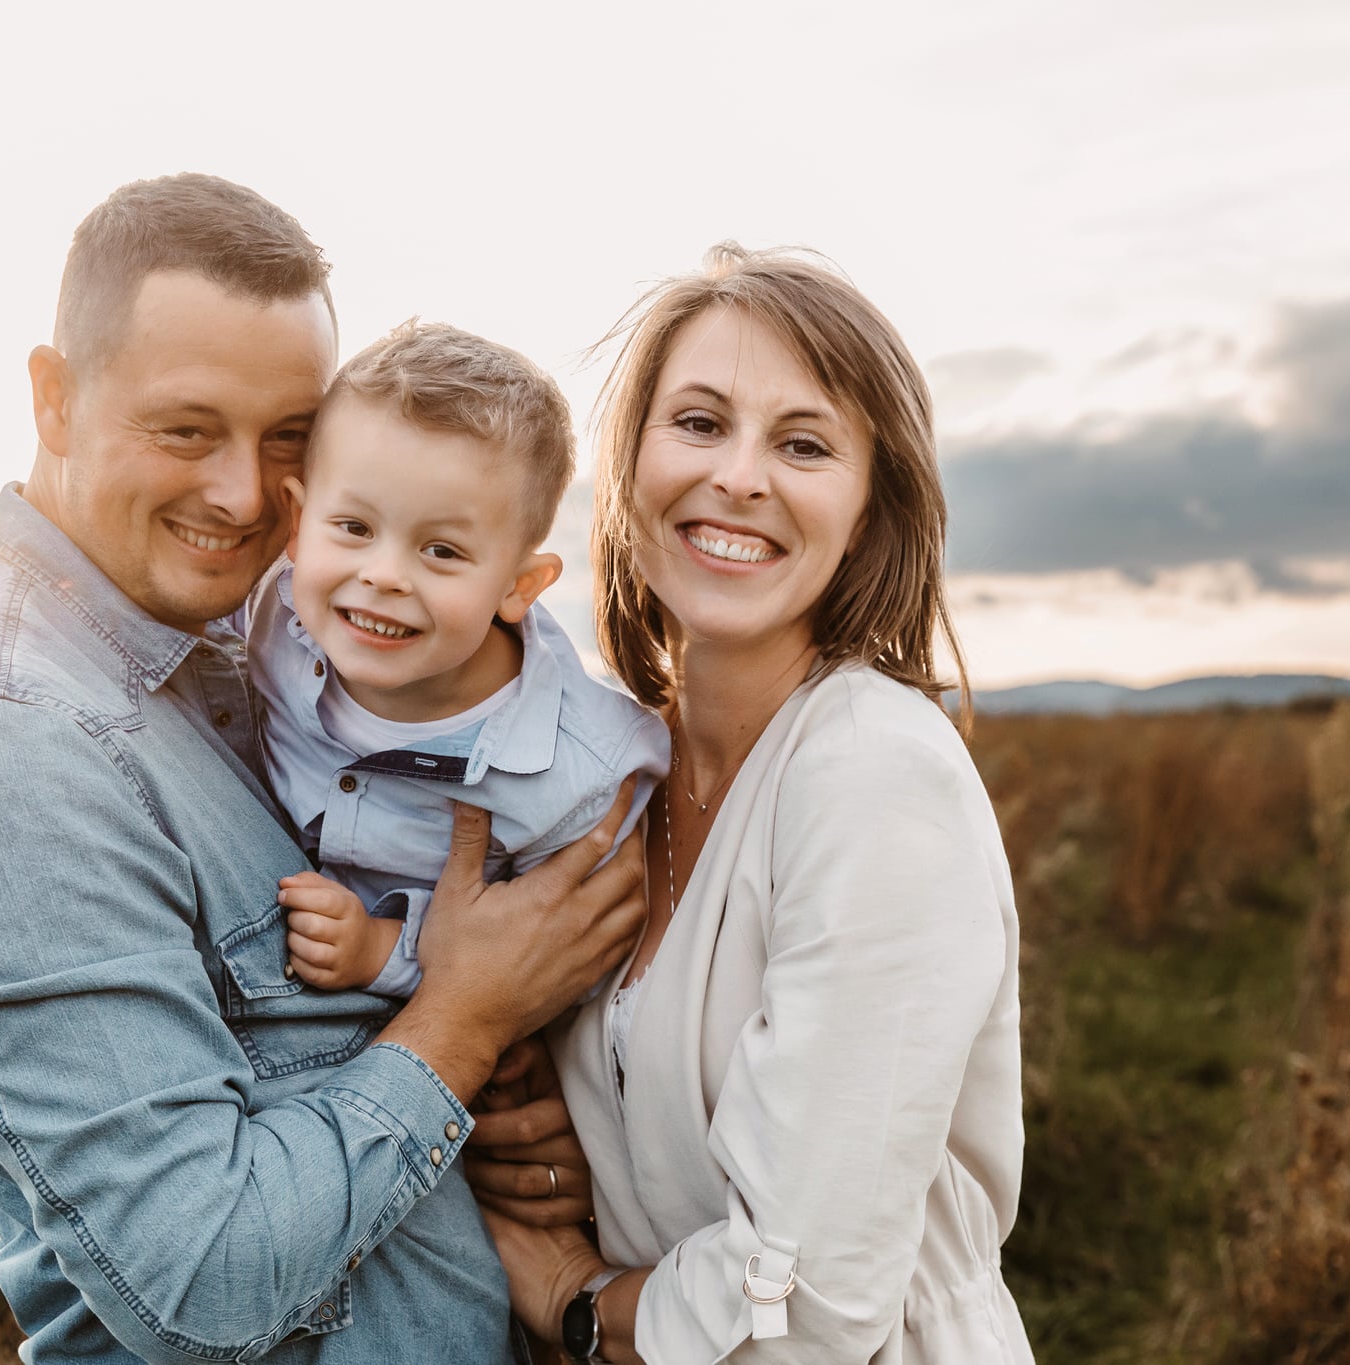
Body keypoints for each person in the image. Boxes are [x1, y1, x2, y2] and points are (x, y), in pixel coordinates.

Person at [0, 173, 646, 1362]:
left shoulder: (251, 638)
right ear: (53, 400)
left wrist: (516, 1105)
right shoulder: (0, 747)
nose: (238, 495)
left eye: (285, 442)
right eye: (184, 430)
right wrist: (465, 1022)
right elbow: (199, 1279)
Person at [474, 245, 1031, 1364]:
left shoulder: (873, 776)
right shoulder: (608, 767)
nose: (737, 476)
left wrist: (575, 1299)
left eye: (803, 444)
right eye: (696, 423)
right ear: (629, 464)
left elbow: (808, 1317)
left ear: (872, 509)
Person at [243, 320, 668, 996]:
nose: (383, 575)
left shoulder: (580, 778)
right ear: (297, 525)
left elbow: (578, 956)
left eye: (440, 550)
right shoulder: (269, 613)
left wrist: (384, 948)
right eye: (353, 528)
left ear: (518, 586)